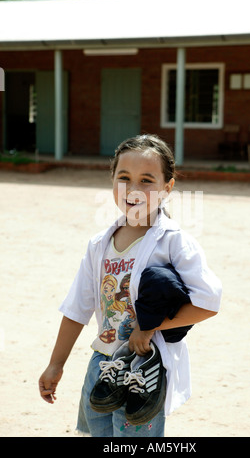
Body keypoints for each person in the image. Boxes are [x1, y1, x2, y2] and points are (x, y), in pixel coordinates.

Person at [38, 134, 222, 437]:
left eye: (147, 180)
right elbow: (77, 308)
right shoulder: (99, 244)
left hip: (144, 372)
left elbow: (208, 302)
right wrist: (55, 365)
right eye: (124, 177)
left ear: (167, 187)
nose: (134, 189)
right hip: (102, 362)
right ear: (112, 180)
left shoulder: (174, 242)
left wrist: (149, 327)